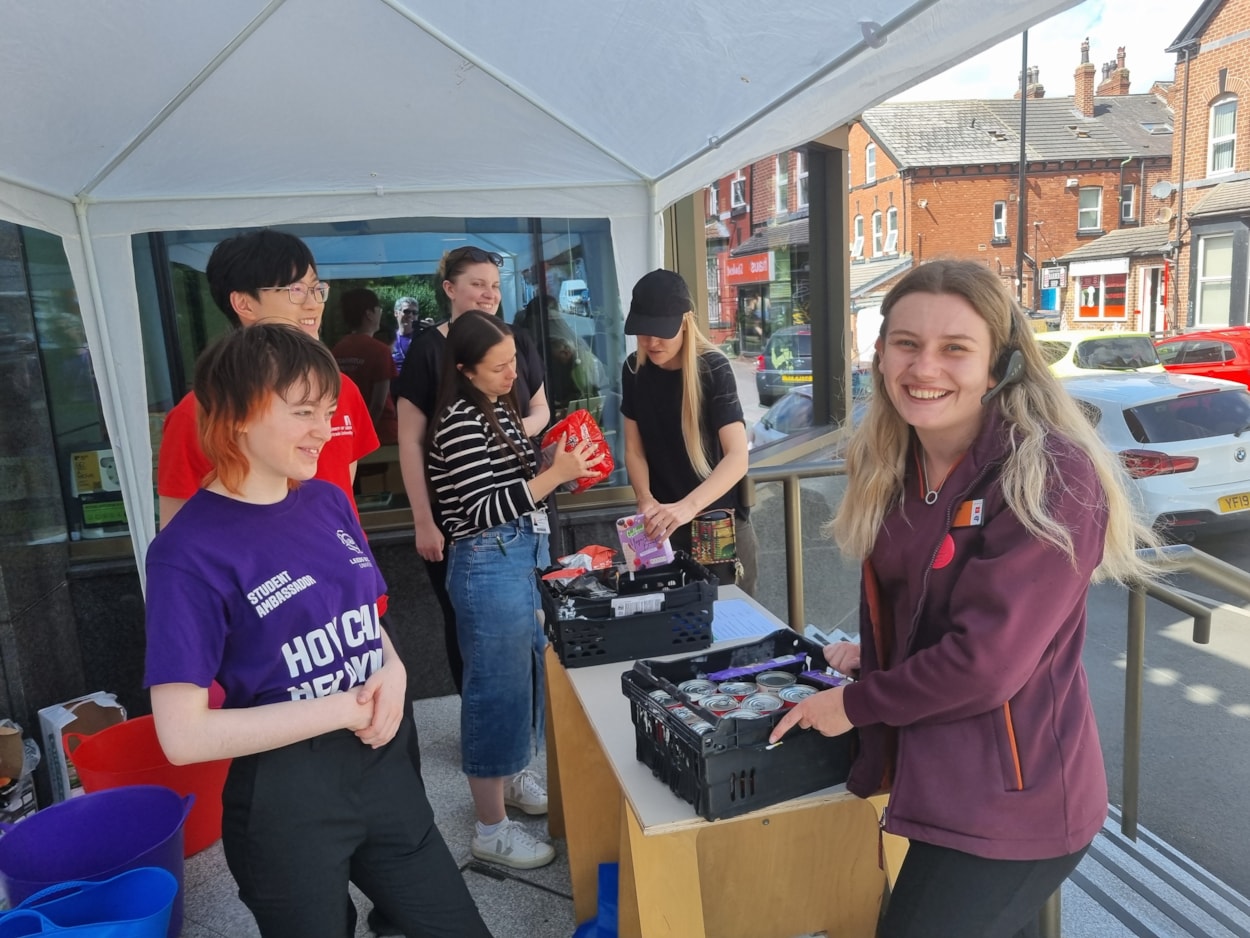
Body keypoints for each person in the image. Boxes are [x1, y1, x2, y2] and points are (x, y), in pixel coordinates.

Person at [769, 259, 1159, 938]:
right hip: (941, 775)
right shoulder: (898, 458)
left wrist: (853, 704)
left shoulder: (1049, 473)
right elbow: (933, 602)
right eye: (907, 344)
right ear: (880, 353)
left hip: (1016, 801)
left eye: (956, 349)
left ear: (1000, 364)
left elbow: (986, 662)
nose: (925, 369)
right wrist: (878, 654)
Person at [144, 324, 491, 938]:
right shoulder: (188, 552)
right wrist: (342, 710)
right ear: (237, 416)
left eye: (328, 412)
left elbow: (364, 620)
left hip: (385, 770)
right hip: (287, 800)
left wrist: (395, 668)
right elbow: (182, 735)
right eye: (303, 412)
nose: (324, 431)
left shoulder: (328, 501)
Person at [426, 310, 601, 871]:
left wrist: (555, 461)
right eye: (498, 367)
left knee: (525, 679)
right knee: (494, 692)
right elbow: (479, 510)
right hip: (486, 561)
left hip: (519, 556)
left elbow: (513, 482)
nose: (511, 375)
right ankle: (489, 826)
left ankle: (514, 778)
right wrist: (552, 475)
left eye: (513, 363)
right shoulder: (457, 420)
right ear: (465, 370)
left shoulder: (496, 409)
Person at [394, 246, 550, 696]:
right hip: (467, 517)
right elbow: (410, 440)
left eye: (496, 286)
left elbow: (540, 408)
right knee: (476, 631)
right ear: (449, 289)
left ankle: (528, 727)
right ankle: (487, 725)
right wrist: (422, 520)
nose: (489, 294)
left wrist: (507, 431)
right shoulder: (428, 350)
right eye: (477, 284)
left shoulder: (517, 338)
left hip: (526, 506)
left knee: (533, 623)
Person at [157, 230, 379, 528]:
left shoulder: (341, 389)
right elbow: (177, 531)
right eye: (295, 290)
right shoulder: (199, 410)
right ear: (244, 304)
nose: (313, 304)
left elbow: (344, 491)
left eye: (316, 289)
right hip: (259, 571)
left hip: (341, 564)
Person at [620, 269, 757, 594]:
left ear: (685, 320)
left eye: (660, 332)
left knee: (731, 625)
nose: (651, 342)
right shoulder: (633, 369)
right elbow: (634, 449)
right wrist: (645, 499)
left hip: (716, 524)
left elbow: (738, 458)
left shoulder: (714, 368)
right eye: (642, 332)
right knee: (670, 628)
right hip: (660, 527)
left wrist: (688, 507)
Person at [332, 288, 398, 444]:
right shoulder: (380, 351)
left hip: (348, 430)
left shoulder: (337, 350)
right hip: (381, 434)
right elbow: (378, 404)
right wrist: (364, 435)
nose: (380, 312)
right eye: (378, 308)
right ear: (369, 314)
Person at [391, 296, 420, 372]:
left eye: (414, 313)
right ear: (396, 313)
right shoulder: (389, 337)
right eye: (406, 311)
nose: (410, 315)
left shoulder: (422, 337)